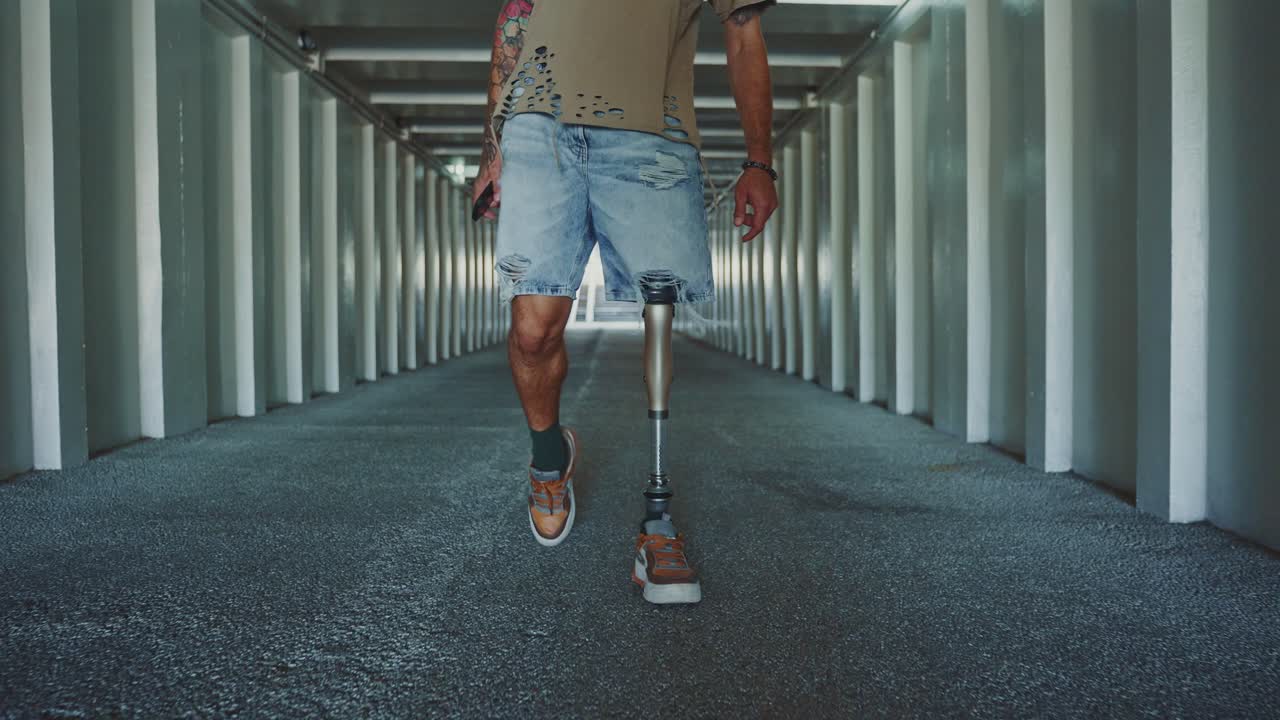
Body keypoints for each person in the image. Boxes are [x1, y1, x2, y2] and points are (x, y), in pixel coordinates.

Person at [472, 0, 779, 604]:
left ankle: (658, 527)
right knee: (534, 329)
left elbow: (744, 35)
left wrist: (759, 161)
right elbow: (515, 19)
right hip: (537, 124)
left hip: (652, 132)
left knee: (659, 315)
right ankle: (546, 457)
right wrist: (491, 147)